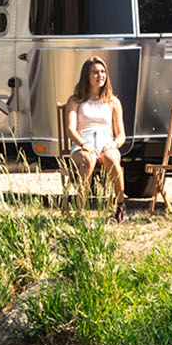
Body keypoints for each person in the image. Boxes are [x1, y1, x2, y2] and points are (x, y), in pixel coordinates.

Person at [63, 56, 128, 222]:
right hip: (83, 144)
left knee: (111, 158)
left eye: (103, 72)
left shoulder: (113, 102)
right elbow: (70, 129)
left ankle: (120, 206)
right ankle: (80, 211)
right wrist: (83, 144)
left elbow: (121, 135)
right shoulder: (76, 100)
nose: (100, 76)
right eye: (95, 72)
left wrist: (114, 144)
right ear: (87, 76)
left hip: (106, 143)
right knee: (88, 160)